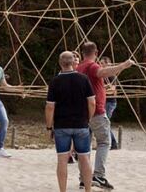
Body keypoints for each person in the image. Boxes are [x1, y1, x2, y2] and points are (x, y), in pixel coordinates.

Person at [75, 41, 136, 190]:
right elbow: (103, 72)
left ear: (82, 53)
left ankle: (84, 178)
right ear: (96, 53)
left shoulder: (79, 68)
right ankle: (98, 176)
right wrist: (123, 65)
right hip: (96, 111)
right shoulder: (92, 66)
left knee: (85, 146)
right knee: (104, 142)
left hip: (82, 113)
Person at [46, 51, 94, 192]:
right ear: (74, 62)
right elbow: (92, 102)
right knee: (84, 159)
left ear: (60, 63)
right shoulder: (84, 79)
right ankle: (88, 189)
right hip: (81, 124)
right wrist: (88, 119)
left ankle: (63, 190)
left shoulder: (55, 81)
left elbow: (50, 106)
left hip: (62, 125)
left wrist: (49, 127)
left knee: (62, 159)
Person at [99, 56, 119, 150]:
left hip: (110, 102)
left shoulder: (111, 76)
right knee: (104, 122)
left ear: (107, 64)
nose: (100, 65)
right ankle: (113, 143)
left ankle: (113, 143)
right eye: (100, 63)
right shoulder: (102, 76)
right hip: (104, 102)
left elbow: (113, 90)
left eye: (102, 63)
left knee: (105, 122)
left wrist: (102, 89)